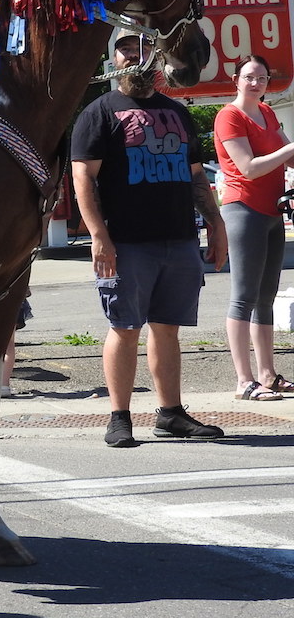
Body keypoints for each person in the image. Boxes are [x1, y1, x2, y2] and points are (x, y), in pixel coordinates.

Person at [71, 32, 228, 448]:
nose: (133, 55)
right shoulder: (98, 112)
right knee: (124, 327)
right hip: (126, 242)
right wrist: (99, 235)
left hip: (178, 238)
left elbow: (197, 177)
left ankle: (170, 413)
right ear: (114, 60)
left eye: (141, 47)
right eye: (124, 48)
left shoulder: (177, 112)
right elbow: (83, 178)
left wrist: (216, 224)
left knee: (168, 328)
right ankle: (119, 416)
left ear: (155, 56)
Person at [213, 53, 294, 401]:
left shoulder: (268, 112)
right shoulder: (228, 116)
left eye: (261, 78)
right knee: (243, 297)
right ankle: (244, 381)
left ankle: (267, 374)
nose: (256, 83)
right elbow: (248, 167)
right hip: (243, 208)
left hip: (273, 210)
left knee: (267, 297)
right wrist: (291, 147)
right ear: (236, 80)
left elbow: (287, 155)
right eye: (249, 76)